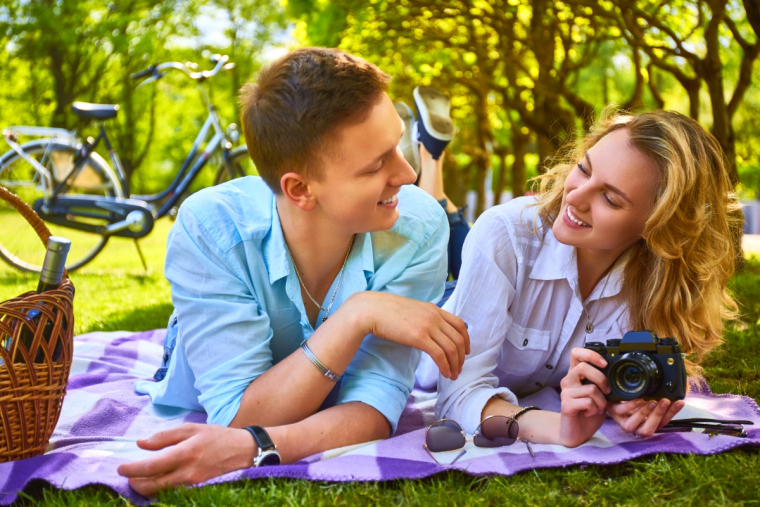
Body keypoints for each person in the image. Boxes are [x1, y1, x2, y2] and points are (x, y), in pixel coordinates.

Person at [118, 47, 469, 496]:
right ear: (300, 189)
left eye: (399, 145)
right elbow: (237, 415)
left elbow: (374, 405)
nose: (406, 173)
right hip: (204, 355)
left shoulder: (417, 227)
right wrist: (357, 314)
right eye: (376, 164)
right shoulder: (212, 228)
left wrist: (257, 448)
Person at [421, 108, 740, 447]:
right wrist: (558, 429)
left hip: (507, 281)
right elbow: (457, 397)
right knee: (432, 221)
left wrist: (627, 401)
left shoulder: (655, 289)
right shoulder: (506, 232)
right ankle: (430, 158)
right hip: (444, 304)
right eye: (583, 169)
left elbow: (619, 389)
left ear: (657, 226)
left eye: (609, 198)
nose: (574, 197)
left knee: (456, 232)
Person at [394, 87, 470, 279]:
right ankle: (431, 157)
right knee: (469, 276)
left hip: (433, 292)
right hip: (460, 289)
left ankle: (430, 156)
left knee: (435, 215)